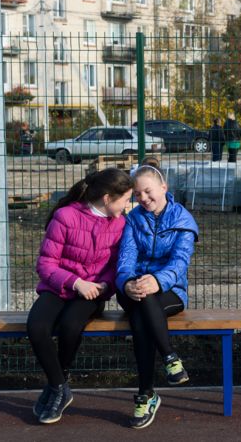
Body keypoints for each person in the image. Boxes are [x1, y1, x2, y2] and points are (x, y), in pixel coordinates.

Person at [26, 168, 134, 424]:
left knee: (71, 325)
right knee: (37, 326)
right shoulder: (65, 216)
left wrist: (105, 285)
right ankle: (59, 387)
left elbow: (116, 266)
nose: (128, 206)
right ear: (107, 198)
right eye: (126, 199)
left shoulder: (121, 224)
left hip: (93, 293)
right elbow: (46, 264)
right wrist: (76, 283)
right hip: (59, 287)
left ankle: (57, 384)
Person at [116, 160, 199, 429]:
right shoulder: (133, 219)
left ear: (164, 187)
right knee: (143, 300)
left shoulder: (182, 219)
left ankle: (146, 394)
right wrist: (126, 282)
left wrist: (157, 281)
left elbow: (179, 262)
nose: (143, 198)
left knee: (142, 319)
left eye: (148, 191)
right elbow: (126, 258)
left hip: (170, 290)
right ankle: (170, 358)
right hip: (133, 290)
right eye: (137, 194)